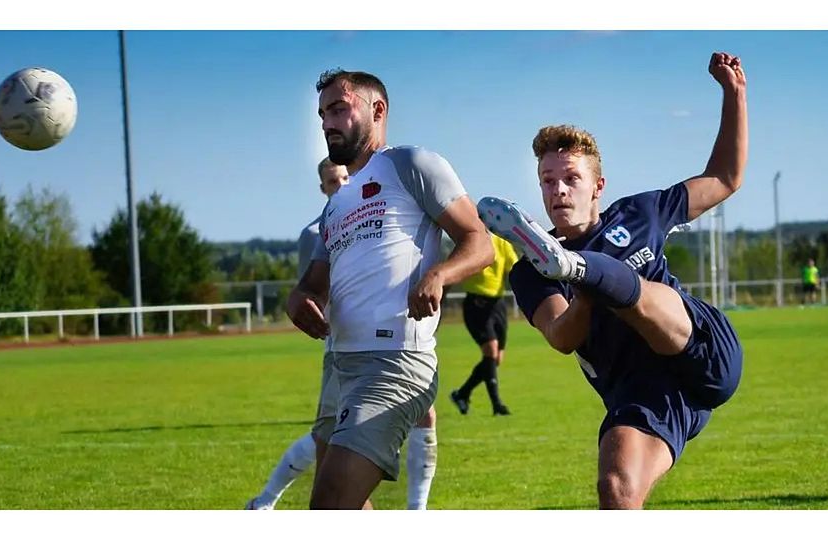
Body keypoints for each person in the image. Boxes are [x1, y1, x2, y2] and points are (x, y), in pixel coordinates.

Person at [478, 52, 747, 509]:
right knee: (616, 488)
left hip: (702, 350)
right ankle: (585, 271)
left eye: (571, 178)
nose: (558, 190)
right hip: (642, 393)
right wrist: (586, 295)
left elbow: (725, 177)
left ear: (597, 186)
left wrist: (733, 92)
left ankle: (584, 267)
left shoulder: (640, 213)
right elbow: (562, 336)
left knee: (639, 296)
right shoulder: (531, 271)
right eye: (548, 181)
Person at [288, 69, 494, 509]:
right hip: (339, 365)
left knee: (328, 508)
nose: (327, 123)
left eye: (338, 109)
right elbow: (311, 284)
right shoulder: (336, 205)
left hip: (393, 361)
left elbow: (480, 242)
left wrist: (438, 274)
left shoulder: (411, 165)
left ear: (377, 110)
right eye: (322, 114)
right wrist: (299, 299)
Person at [247, 158, 439, 510]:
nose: (341, 185)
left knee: (422, 416)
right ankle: (265, 501)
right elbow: (312, 291)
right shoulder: (315, 233)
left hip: (396, 349)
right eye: (333, 181)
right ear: (323, 188)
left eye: (345, 178)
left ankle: (418, 510)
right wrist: (305, 304)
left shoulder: (385, 212)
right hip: (342, 349)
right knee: (327, 442)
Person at [450, 233, 519, 416]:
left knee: (496, 359)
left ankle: (462, 394)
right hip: (476, 303)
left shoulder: (502, 242)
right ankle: (497, 405)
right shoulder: (472, 240)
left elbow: (514, 268)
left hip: (498, 304)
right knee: (491, 351)